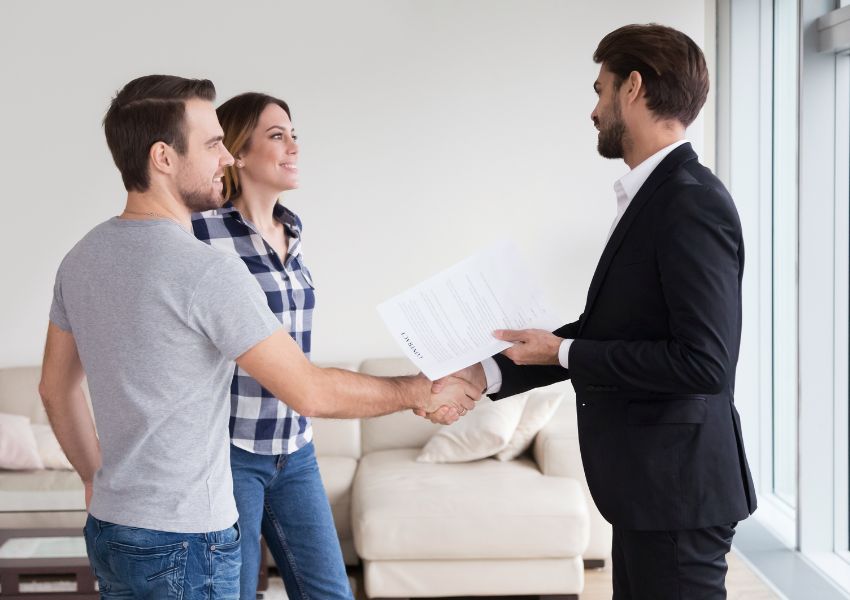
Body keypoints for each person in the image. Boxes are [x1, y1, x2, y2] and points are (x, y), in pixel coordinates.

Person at [38, 74, 479, 599]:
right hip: (187, 537)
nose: (225, 158)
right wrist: (419, 390)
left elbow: (55, 389)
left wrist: (94, 477)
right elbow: (309, 390)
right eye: (211, 144)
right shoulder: (207, 270)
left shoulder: (81, 257)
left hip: (113, 527)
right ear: (163, 157)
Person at [436, 24, 757, 599]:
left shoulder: (690, 201)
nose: (593, 110)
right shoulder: (656, 195)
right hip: (650, 491)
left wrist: (562, 350)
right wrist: (482, 373)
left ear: (632, 88)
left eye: (600, 89)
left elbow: (704, 363)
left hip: (678, 494)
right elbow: (612, 334)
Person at [191, 92, 348, 598]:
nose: (293, 146)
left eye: (294, 134)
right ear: (237, 151)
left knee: (330, 593)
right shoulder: (201, 234)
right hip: (230, 452)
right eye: (277, 136)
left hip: (295, 449)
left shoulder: (293, 232)